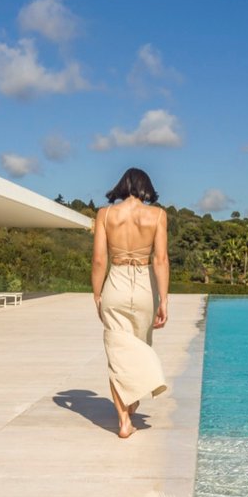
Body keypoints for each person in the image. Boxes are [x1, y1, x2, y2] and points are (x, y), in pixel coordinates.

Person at [92, 166, 170, 439]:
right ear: (145, 187)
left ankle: (124, 420)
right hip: (145, 286)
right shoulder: (158, 215)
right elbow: (160, 260)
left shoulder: (105, 214)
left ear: (123, 185)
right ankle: (131, 405)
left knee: (118, 353)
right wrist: (164, 300)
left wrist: (97, 293)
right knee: (139, 345)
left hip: (116, 281)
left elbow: (100, 259)